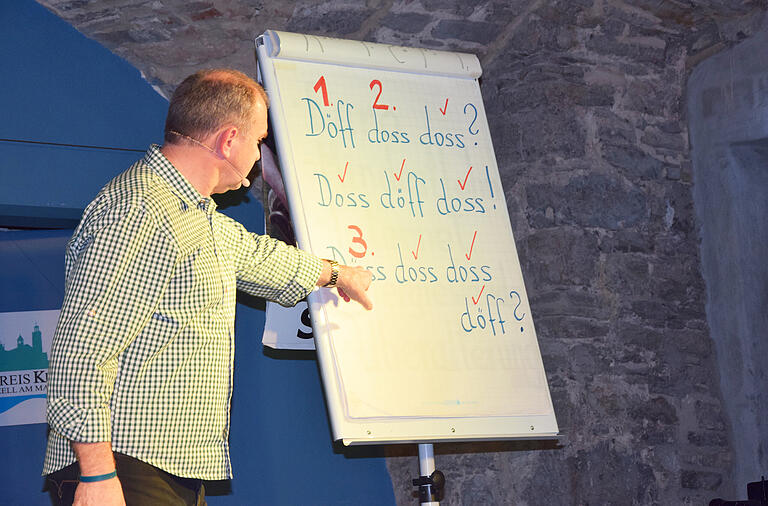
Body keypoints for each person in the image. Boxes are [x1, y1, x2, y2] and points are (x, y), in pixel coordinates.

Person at [43, 68, 373, 506]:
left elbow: (261, 257)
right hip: (123, 465)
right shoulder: (138, 210)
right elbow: (83, 350)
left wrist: (336, 274)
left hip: (170, 467)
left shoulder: (201, 218)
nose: (258, 157)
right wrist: (99, 473)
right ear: (228, 140)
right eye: (258, 141)